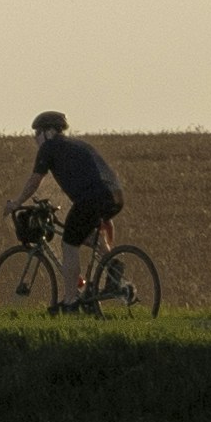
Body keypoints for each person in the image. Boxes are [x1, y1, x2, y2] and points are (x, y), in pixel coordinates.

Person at [26, 110, 124, 304]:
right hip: (115, 196)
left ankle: (70, 301)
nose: (35, 138)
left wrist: (16, 203)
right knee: (85, 234)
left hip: (92, 199)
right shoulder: (79, 145)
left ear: (49, 132)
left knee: (69, 244)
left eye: (37, 133)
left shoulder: (49, 147)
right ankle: (113, 265)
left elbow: (34, 180)